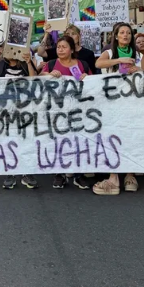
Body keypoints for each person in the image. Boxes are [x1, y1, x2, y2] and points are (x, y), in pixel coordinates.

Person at [91, 23, 143, 195]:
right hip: (112, 99)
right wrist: (119, 61)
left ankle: (130, 176)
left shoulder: (138, 54)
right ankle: (114, 176)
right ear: (116, 36)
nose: (125, 35)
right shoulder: (111, 52)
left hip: (132, 99)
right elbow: (98, 63)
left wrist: (138, 69)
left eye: (128, 33)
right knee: (113, 135)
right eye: (122, 32)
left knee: (131, 135)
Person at [40, 35, 92, 191]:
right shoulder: (51, 64)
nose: (60, 50)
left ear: (71, 49)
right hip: (57, 110)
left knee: (78, 140)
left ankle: (78, 174)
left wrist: (86, 78)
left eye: (63, 47)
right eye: (58, 47)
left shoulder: (82, 64)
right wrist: (48, 74)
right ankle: (59, 173)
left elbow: (93, 80)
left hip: (78, 109)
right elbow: (39, 77)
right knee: (58, 140)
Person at [0, 50, 40, 190]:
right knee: (8, 142)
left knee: (26, 141)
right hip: (6, 112)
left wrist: (29, 62)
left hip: (25, 111)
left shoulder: (25, 65)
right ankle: (10, 172)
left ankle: (26, 173)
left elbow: (34, 80)